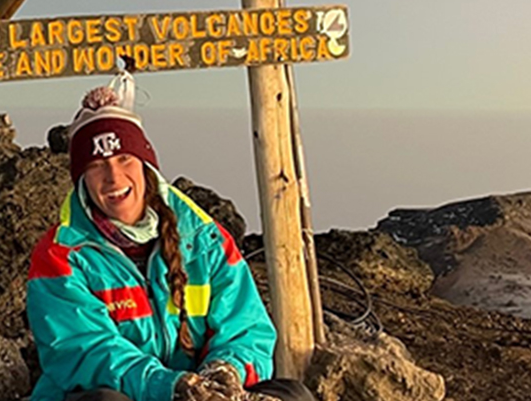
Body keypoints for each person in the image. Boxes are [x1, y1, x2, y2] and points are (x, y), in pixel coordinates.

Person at [26, 77, 315, 401]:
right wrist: (172, 387)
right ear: (82, 183)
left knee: (292, 394)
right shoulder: (61, 256)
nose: (113, 177)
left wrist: (224, 374)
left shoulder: (205, 240)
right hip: (128, 393)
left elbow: (247, 328)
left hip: (196, 393)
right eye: (96, 166)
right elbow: (87, 352)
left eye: (124, 159)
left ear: (147, 165)